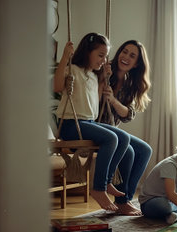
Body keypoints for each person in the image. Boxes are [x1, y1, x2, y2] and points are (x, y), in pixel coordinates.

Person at [54, 32, 129, 212]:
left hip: (88, 122)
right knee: (111, 138)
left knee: (123, 138)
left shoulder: (94, 76)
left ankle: (107, 181)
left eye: (105, 56)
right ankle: (99, 188)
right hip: (70, 124)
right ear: (88, 52)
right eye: (100, 55)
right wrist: (65, 57)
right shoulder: (72, 70)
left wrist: (104, 78)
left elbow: (94, 106)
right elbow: (56, 87)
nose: (104, 60)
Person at [97, 40, 152, 215]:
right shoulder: (104, 70)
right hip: (97, 126)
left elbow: (128, 115)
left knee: (145, 150)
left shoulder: (131, 83)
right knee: (128, 150)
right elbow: (92, 103)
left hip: (113, 129)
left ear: (137, 64)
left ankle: (125, 198)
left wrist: (113, 99)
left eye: (132, 55)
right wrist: (102, 79)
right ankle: (122, 201)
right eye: (124, 51)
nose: (126, 57)